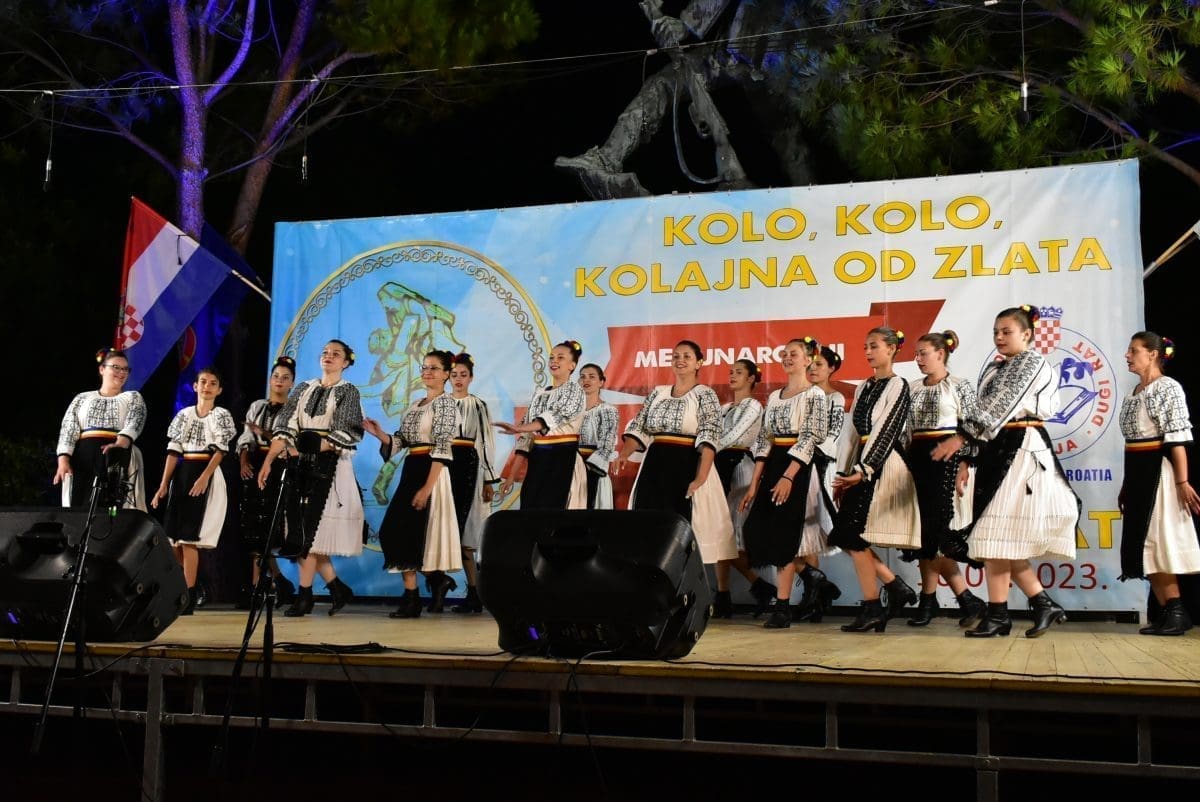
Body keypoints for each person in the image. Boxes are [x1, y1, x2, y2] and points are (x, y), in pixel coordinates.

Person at [931, 305, 1080, 638]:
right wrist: (967, 460)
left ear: (1027, 334)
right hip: (997, 449)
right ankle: (1038, 604)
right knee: (999, 538)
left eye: (1007, 331)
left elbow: (1002, 403)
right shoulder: (994, 369)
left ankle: (1002, 613)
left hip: (1023, 448)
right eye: (996, 332)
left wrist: (961, 438)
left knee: (995, 535)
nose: (999, 337)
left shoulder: (1032, 362)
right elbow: (982, 411)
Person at [259, 339, 364, 617]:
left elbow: (345, 431)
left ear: (346, 362)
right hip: (301, 465)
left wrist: (307, 447)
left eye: (336, 354)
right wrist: (269, 461)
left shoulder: (348, 391)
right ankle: (336, 588)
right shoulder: (304, 388)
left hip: (330, 467)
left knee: (311, 534)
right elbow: (285, 426)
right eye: (325, 352)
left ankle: (305, 596)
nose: (329, 356)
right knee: (304, 532)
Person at [616, 340, 738, 578]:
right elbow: (640, 427)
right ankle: (653, 582)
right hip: (654, 466)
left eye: (687, 356)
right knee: (650, 523)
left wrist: (700, 478)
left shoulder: (705, 394)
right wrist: (624, 454)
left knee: (684, 525)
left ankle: (683, 585)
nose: (680, 360)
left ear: (698, 363)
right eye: (676, 356)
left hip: (687, 464)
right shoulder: (658, 392)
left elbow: (710, 436)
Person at [830, 327, 921, 633]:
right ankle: (893, 587)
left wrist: (864, 469)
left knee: (852, 536)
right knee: (848, 536)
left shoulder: (898, 385)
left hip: (882, 464)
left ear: (892, 349)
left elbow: (887, 429)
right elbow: (851, 432)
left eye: (874, 346)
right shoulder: (864, 387)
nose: (868, 352)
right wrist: (843, 472)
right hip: (861, 463)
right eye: (866, 347)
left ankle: (874, 604)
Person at [740, 339, 832, 629]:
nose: (788, 358)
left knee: (784, 535)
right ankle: (811, 576)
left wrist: (789, 476)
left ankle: (782, 607)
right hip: (774, 464)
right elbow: (764, 439)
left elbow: (810, 438)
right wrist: (754, 483)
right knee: (756, 530)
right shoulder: (775, 396)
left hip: (798, 467)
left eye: (794, 354)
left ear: (808, 360)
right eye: (785, 354)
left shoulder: (815, 394)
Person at [364, 350, 462, 618]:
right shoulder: (416, 404)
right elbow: (402, 441)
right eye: (424, 367)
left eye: (434, 368)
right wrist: (379, 434)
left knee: (417, 534)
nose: (427, 372)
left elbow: (442, 448)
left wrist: (427, 488)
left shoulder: (446, 404)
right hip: (412, 469)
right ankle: (427, 587)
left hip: (432, 470)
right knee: (394, 532)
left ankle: (417, 595)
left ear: (446, 374)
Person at [1117, 331, 1200, 635]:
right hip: (1137, 472)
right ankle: (1169, 612)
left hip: (1158, 473)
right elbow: (1130, 445)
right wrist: (1126, 485)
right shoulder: (1133, 393)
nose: (1127, 355)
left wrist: (1182, 481)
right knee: (1142, 544)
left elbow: (1177, 439)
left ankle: (1176, 611)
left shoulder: (1168, 388)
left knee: (1157, 540)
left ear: (1152, 354)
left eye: (1133, 350)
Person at [905, 331, 987, 627]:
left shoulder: (959, 385)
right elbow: (906, 431)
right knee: (924, 535)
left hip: (947, 461)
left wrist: (965, 462)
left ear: (940, 354)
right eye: (916, 354)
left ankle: (940, 600)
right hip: (917, 461)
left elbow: (975, 426)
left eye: (923, 353)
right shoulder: (912, 388)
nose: (918, 359)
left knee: (939, 532)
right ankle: (950, 600)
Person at [151, 367, 237, 615]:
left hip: (205, 471)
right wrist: (163, 485)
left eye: (213, 383)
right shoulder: (185, 415)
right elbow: (173, 451)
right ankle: (188, 586)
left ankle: (187, 595)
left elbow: (220, 450)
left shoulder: (220, 415)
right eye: (203, 382)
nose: (207, 386)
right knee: (174, 540)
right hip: (183, 473)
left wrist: (204, 478)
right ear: (195, 386)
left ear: (219, 390)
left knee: (189, 538)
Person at [712, 359, 777, 618]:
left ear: (751, 378)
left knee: (732, 535)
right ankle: (726, 593)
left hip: (740, 467)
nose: (733, 376)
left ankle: (756, 586)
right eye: (731, 372)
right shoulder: (724, 407)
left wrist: (707, 449)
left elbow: (735, 436)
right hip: (719, 466)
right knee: (719, 533)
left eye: (739, 372)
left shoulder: (754, 406)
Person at [235, 355, 298, 606]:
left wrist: (265, 433)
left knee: (273, 527)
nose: (279, 381)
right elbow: (246, 437)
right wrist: (243, 461)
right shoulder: (257, 406)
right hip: (256, 463)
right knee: (254, 529)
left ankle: (271, 584)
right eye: (276, 376)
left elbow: (289, 441)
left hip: (280, 467)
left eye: (285, 378)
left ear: (292, 383)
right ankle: (263, 585)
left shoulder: (294, 409)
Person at [496, 340, 588, 509]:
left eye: (560, 357)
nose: (554, 361)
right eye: (552, 357)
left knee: (556, 511)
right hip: (539, 461)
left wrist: (519, 428)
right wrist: (511, 477)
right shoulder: (540, 394)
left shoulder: (575, 391)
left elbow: (553, 417)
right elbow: (526, 439)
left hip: (564, 459)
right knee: (531, 510)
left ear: (572, 365)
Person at [54, 347, 147, 511]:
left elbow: (135, 420)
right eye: (116, 367)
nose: (121, 372)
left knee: (113, 507)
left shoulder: (133, 397)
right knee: (80, 505)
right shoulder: (82, 397)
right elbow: (68, 427)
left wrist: (120, 445)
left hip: (116, 455)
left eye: (125, 369)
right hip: (83, 457)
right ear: (102, 369)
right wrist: (63, 460)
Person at [797, 345, 847, 621]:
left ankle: (816, 594)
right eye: (811, 364)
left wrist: (806, 453)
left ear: (831, 368)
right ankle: (817, 592)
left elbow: (832, 435)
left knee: (819, 531)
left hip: (821, 466)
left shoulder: (834, 398)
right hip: (799, 466)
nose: (813, 369)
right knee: (805, 534)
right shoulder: (802, 395)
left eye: (819, 364)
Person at [447, 352, 497, 614]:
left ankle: (475, 591)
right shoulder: (440, 403)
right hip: (444, 467)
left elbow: (486, 442)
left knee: (468, 535)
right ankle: (438, 583)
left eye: (463, 375)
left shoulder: (477, 405)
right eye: (454, 374)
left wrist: (488, 478)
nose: (458, 379)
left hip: (469, 469)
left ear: (471, 378)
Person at [578, 363, 619, 509]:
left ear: (601, 382)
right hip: (572, 469)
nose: (586, 380)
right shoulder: (572, 411)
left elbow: (607, 443)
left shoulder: (607, 410)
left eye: (591, 377)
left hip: (593, 469)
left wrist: (589, 467)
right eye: (582, 377)